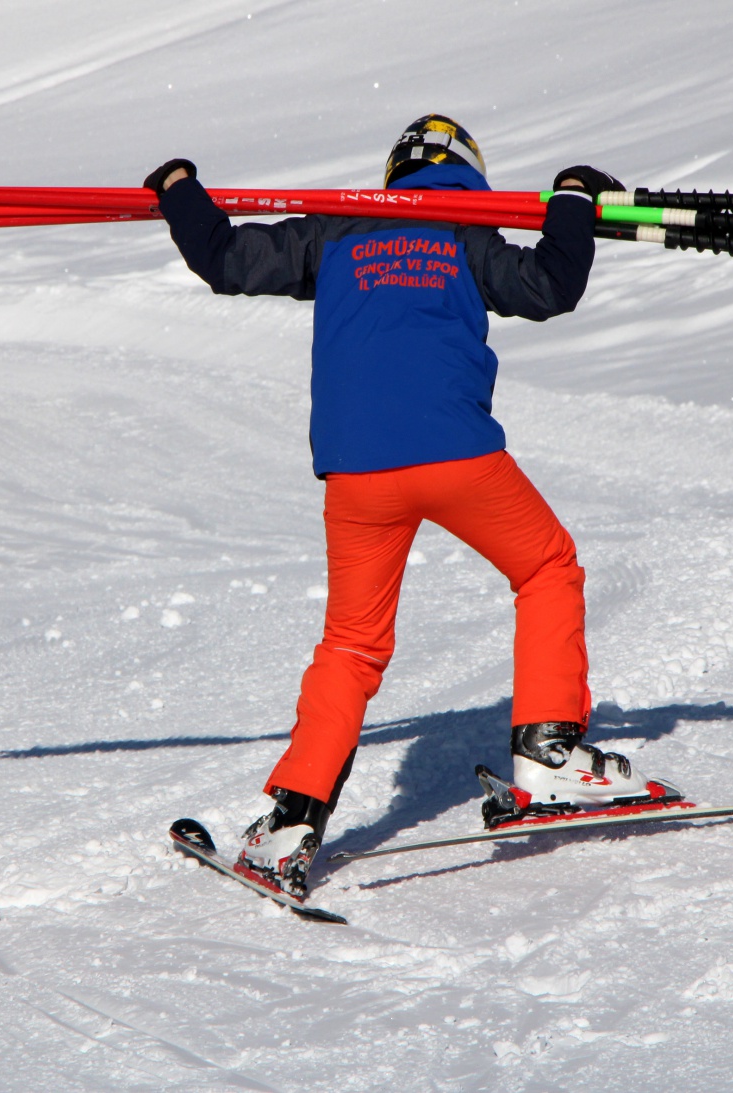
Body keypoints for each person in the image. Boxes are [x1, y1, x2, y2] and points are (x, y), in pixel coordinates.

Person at [146, 115, 681, 901]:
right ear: (468, 168)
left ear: (396, 169)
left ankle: (292, 819)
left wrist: (178, 189)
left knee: (352, 644)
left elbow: (224, 258)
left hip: (357, 470)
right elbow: (549, 287)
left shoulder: (336, 228)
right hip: (454, 452)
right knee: (546, 567)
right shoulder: (465, 226)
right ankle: (550, 753)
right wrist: (571, 199)